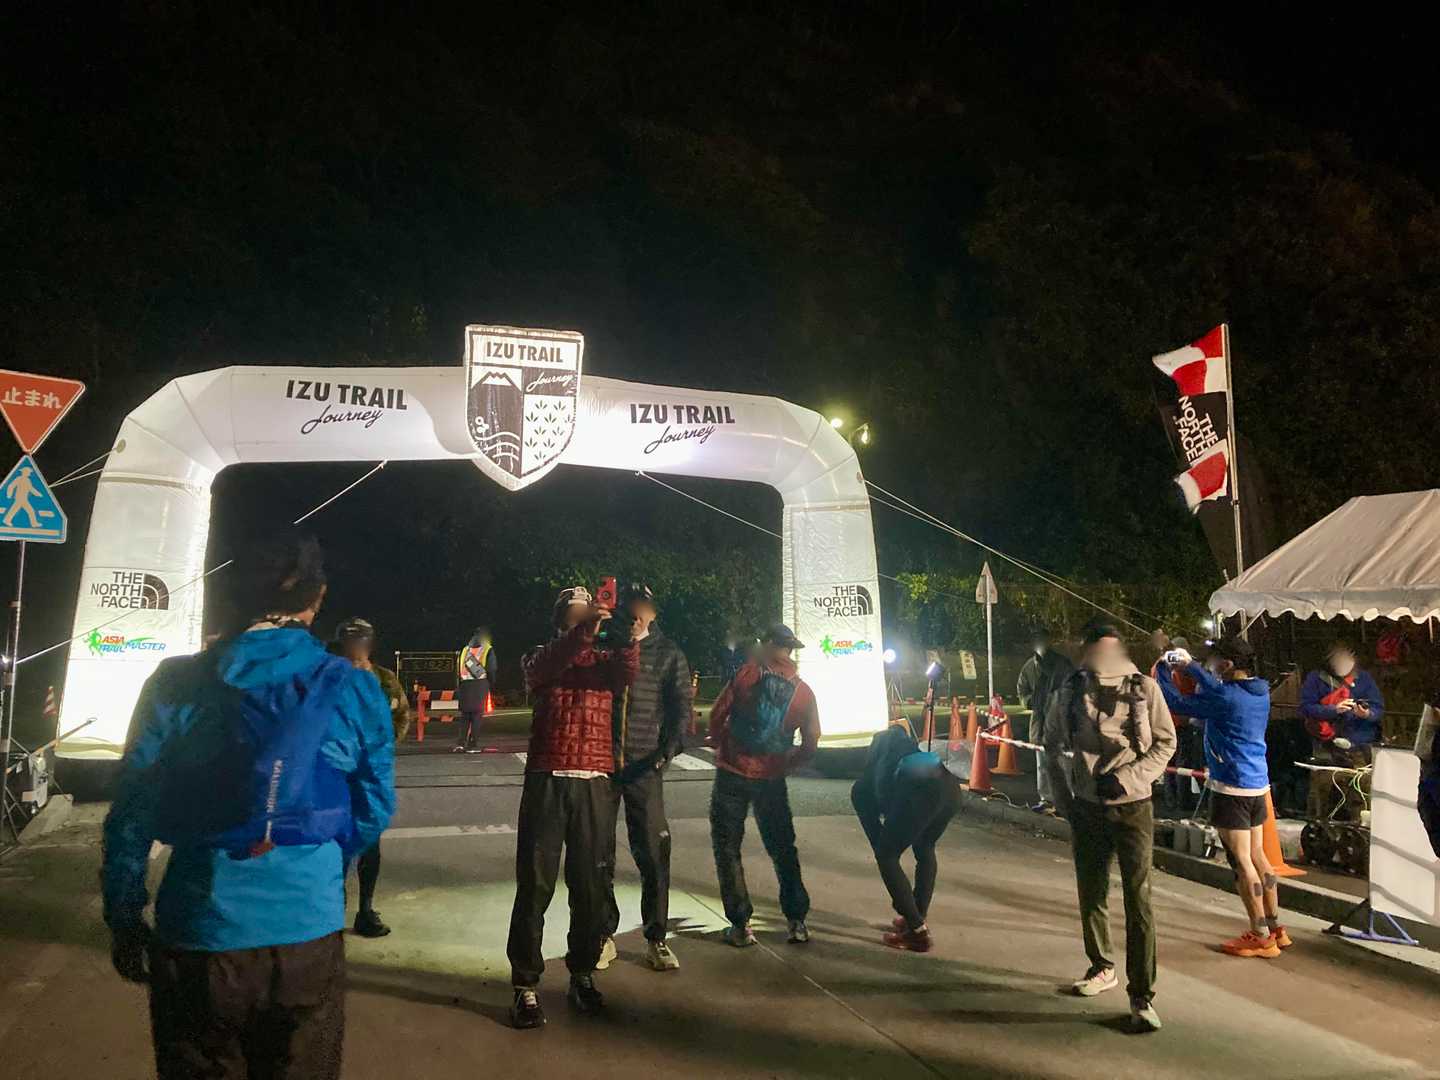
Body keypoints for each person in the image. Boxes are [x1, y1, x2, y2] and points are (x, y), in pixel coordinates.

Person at [102, 534, 395, 1079]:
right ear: (317, 598)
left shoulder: (175, 682)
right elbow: (375, 805)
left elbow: (131, 811)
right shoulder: (352, 687)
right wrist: (323, 866)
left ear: (234, 593)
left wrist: (123, 915)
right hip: (306, 934)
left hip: (199, 931)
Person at [506, 586, 639, 1029]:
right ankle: (525, 985)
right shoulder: (540, 655)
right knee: (535, 885)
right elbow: (548, 666)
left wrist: (628, 637)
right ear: (561, 619)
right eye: (576, 612)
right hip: (547, 777)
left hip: (594, 780)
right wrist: (586, 630)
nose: (585, 616)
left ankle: (582, 973)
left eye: (589, 611)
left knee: (590, 886)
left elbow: (626, 673)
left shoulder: (605, 661)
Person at [1041, 623, 1175, 1034]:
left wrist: (1128, 779)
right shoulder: (1069, 691)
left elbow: (1166, 742)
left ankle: (1142, 996)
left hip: (1133, 807)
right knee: (1092, 890)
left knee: (1139, 899)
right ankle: (1101, 966)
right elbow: (1050, 745)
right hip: (1087, 808)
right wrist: (1065, 799)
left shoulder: (1144, 689)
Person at [1156, 636, 1292, 958]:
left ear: (1228, 664)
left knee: (1241, 861)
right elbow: (1215, 687)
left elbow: (1175, 702)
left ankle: (1260, 935)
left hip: (1231, 787)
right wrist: (1191, 667)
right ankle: (1275, 927)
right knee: (1258, 856)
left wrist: (1163, 668)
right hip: (1257, 784)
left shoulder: (1226, 697)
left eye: (1213, 660)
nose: (1210, 666)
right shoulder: (1259, 692)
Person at [707, 623, 821, 948]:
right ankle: (797, 921)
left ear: (768, 645)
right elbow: (811, 741)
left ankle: (741, 925)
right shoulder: (803, 692)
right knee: (783, 848)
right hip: (771, 778)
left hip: (733, 771)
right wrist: (786, 763)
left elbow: (717, 714)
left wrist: (721, 744)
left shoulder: (746, 676)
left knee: (728, 848)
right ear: (789, 650)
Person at [601, 582, 693, 972]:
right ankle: (602, 934)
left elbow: (681, 709)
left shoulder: (669, 653)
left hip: (645, 767)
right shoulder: (606, 647)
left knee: (654, 854)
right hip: (602, 766)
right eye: (630, 606)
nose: (636, 614)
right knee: (599, 854)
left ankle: (656, 937)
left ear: (654, 613)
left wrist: (666, 753)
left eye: (644, 607)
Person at [332, 616, 412, 938]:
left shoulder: (383, 679)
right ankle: (332, 911)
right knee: (334, 850)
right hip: (335, 776)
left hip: (368, 777)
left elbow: (401, 716)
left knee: (370, 847)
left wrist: (380, 748)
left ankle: (365, 909)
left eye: (361, 640)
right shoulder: (327, 676)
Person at [850, 724, 961, 952]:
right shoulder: (906, 751)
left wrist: (901, 898)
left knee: (887, 856)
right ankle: (916, 915)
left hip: (920, 790)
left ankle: (917, 932)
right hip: (950, 788)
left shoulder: (862, 789)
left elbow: (881, 846)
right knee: (925, 847)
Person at [1300, 641, 1385, 820]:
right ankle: (1320, 824)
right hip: (1326, 746)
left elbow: (1378, 709)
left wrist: (1366, 714)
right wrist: (1333, 710)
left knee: (1359, 792)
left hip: (1358, 747)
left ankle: (1358, 826)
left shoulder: (1364, 679)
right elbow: (1306, 707)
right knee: (1323, 791)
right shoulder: (1316, 678)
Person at [1016, 627, 1074, 814]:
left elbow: (1073, 688)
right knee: (1042, 763)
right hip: (1040, 722)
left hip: (1060, 722)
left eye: (1043, 639)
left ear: (1050, 641)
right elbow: (1022, 691)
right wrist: (1032, 701)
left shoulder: (1062, 665)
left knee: (1064, 762)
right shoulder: (1029, 667)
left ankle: (1067, 801)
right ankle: (1046, 799)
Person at [455, 625, 498, 753]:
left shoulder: (465, 649)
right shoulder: (487, 649)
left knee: (465, 716)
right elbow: (492, 669)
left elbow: (458, 668)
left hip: (464, 684)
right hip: (480, 684)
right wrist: (491, 683)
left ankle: (460, 744)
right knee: (477, 715)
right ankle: (472, 745)